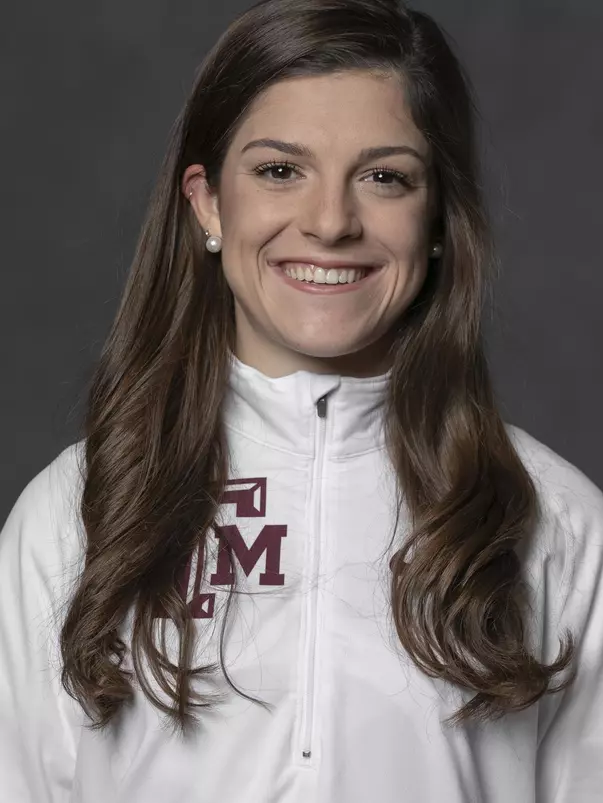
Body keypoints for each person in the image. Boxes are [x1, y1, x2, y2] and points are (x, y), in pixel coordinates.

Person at [1, 0, 602, 800]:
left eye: (384, 177)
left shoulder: (555, 523)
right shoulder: (74, 513)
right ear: (209, 202)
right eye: (279, 170)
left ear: (435, 221)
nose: (329, 222)